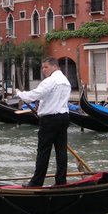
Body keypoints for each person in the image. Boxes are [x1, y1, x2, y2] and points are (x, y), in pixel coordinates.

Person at [15, 56, 71, 187]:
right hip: (64, 118)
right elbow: (52, 99)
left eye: (46, 67)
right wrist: (41, 112)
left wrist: (19, 93)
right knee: (61, 151)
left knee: (43, 151)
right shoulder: (66, 81)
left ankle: (36, 182)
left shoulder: (50, 81)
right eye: (42, 67)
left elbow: (33, 95)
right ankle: (61, 181)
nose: (44, 70)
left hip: (51, 120)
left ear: (54, 67)